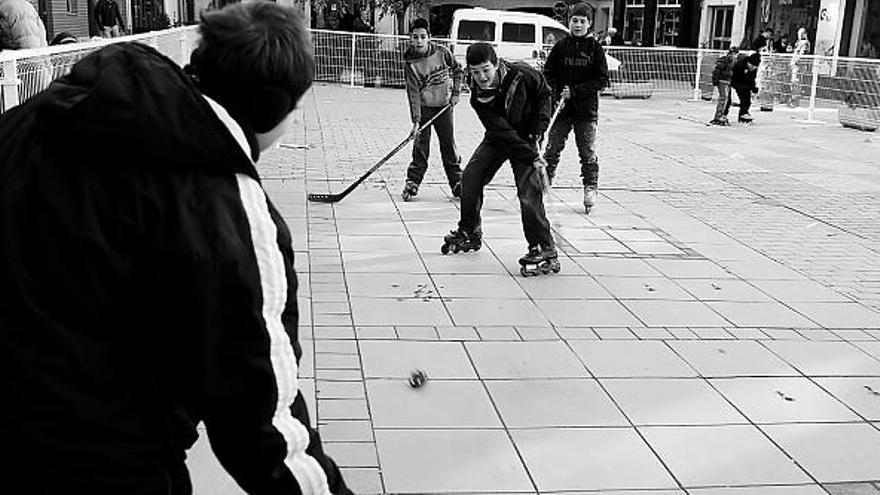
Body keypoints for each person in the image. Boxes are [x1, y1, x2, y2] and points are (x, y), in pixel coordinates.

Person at [0, 2, 352, 494]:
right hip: (105, 462)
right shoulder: (225, 209)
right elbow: (260, 422)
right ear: (274, 109)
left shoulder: (36, 119)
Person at [440, 42, 558, 276]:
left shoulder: (522, 74)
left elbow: (544, 92)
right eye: (475, 72)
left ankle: (544, 248)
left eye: (486, 69)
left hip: (527, 134)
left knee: (528, 194)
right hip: (500, 137)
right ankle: (469, 231)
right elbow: (500, 131)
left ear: (496, 64)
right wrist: (530, 154)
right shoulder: (477, 96)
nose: (481, 77)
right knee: (470, 179)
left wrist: (540, 125)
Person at [541, 3, 609, 213]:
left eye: (582, 21)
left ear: (589, 24)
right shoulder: (561, 47)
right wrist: (555, 92)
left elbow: (602, 79)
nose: (578, 25)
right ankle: (543, 186)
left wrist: (576, 91)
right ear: (569, 21)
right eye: (574, 20)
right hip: (561, 110)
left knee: (587, 151)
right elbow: (548, 73)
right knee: (552, 150)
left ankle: (590, 187)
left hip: (586, 111)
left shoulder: (595, 49)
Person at [401, 18, 463, 200]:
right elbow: (412, 93)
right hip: (425, 109)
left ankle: (457, 182)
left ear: (429, 37)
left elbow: (458, 70)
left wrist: (456, 94)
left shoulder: (442, 53)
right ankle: (412, 182)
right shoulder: (411, 64)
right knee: (421, 147)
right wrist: (416, 121)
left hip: (444, 108)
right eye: (415, 37)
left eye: (422, 37)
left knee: (448, 146)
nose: (418, 41)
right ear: (410, 39)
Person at [725, 51, 761, 123]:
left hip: (743, 83)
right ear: (749, 62)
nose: (753, 68)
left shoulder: (753, 69)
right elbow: (733, 78)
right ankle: (723, 114)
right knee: (727, 99)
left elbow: (751, 79)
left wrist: (753, 88)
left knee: (747, 98)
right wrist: (741, 87)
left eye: (755, 67)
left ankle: (744, 113)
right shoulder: (739, 64)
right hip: (731, 80)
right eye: (752, 66)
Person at [709, 45, 739, 126]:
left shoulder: (733, 61)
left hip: (727, 81)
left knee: (725, 99)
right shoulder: (725, 60)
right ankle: (718, 115)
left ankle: (721, 114)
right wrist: (715, 81)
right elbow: (717, 70)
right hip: (722, 81)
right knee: (723, 98)